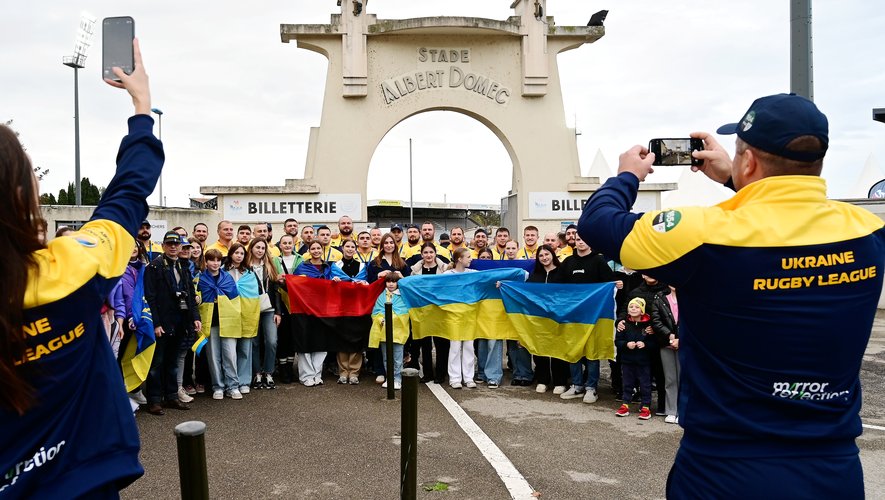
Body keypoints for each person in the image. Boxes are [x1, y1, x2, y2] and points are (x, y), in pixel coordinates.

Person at [579, 93, 884, 499]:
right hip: (833, 469)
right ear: (819, 161)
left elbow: (598, 223)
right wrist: (735, 179)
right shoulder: (866, 232)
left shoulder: (704, 233)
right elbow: (789, 215)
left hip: (725, 468)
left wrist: (627, 175)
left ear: (750, 161)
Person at [0, 38, 161, 497]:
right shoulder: (72, 266)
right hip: (82, 478)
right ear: (24, 196)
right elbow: (127, 194)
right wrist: (141, 106)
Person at [143, 231, 202, 415]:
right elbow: (150, 297)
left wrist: (195, 317)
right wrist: (156, 324)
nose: (174, 247)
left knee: (173, 362)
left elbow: (190, 295)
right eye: (170, 244)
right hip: (163, 321)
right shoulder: (154, 267)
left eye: (176, 244)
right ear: (163, 246)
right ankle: (154, 400)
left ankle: (171, 396)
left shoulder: (184, 266)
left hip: (180, 321)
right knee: (157, 363)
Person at [558, 233, 618, 404]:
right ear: (574, 243)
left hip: (593, 316)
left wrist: (616, 284)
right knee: (574, 350)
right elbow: (558, 286)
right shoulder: (568, 262)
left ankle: (591, 388)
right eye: (578, 240)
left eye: (585, 239)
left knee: (592, 352)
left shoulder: (598, 261)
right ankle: (577, 385)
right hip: (573, 316)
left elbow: (609, 283)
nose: (581, 242)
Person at [196, 249, 241, 400]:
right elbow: (197, 300)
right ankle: (218, 386)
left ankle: (233, 386)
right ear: (206, 262)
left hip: (228, 321)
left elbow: (235, 301)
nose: (215, 263)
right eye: (212, 260)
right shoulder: (200, 279)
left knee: (230, 354)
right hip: (210, 323)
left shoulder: (227, 278)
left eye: (218, 260)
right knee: (213, 356)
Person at [293, 241, 337, 386]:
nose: (316, 250)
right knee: (305, 341)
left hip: (323, 309)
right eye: (313, 248)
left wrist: (334, 281)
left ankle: (317, 374)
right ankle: (306, 376)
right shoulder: (302, 267)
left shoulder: (328, 267)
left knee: (320, 342)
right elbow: (295, 285)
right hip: (305, 309)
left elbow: (331, 287)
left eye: (319, 248)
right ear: (309, 251)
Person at [529, 245, 569, 395]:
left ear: (553, 255)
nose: (544, 257)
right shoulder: (534, 276)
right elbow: (524, 293)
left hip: (559, 318)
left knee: (559, 349)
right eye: (541, 256)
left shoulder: (562, 274)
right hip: (540, 320)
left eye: (547, 254)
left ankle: (560, 381)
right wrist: (504, 286)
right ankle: (542, 380)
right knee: (540, 349)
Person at [409, 242, 450, 384]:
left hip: (440, 311)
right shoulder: (415, 270)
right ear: (421, 255)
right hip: (423, 312)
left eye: (431, 252)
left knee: (442, 344)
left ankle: (440, 374)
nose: (428, 255)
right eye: (425, 253)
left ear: (435, 253)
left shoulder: (445, 269)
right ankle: (427, 374)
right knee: (425, 345)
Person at [223, 242, 260, 396]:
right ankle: (231, 384)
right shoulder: (222, 271)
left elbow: (255, 295)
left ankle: (244, 381)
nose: (239, 255)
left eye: (242, 253)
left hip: (247, 315)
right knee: (229, 353)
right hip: (228, 315)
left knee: (245, 350)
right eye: (236, 252)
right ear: (230, 253)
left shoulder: (250, 273)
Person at [247, 238, 279, 390]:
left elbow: (276, 290)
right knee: (254, 342)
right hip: (251, 309)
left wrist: (278, 311)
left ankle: (269, 372)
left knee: (271, 341)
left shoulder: (269, 266)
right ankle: (257, 373)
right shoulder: (245, 266)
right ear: (251, 248)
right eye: (257, 247)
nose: (260, 250)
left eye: (262, 248)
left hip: (269, 309)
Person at [443, 248, 478, 389]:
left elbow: (489, 277)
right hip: (454, 316)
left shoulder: (473, 274)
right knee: (455, 347)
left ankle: (469, 377)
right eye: (468, 257)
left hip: (469, 315)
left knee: (469, 346)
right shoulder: (447, 275)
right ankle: (455, 378)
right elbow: (433, 285)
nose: (471, 259)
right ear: (459, 259)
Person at [614, 298, 653, 420]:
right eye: (631, 307)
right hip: (627, 360)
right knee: (627, 383)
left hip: (644, 361)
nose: (633, 309)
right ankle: (625, 404)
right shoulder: (623, 324)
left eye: (637, 307)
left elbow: (655, 343)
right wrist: (626, 344)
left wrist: (645, 344)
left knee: (645, 384)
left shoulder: (649, 326)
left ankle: (646, 406)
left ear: (642, 310)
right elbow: (617, 341)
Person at [272, 234, 303, 384]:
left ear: (294, 244)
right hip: (281, 300)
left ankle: (290, 367)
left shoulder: (301, 259)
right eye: (284, 243)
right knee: (282, 336)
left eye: (290, 243)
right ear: (280, 245)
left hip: (297, 301)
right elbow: (272, 280)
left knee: (292, 336)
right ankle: (283, 369)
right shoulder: (274, 260)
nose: (287, 245)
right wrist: (276, 278)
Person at [371, 274, 409, 390]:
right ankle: (390, 378)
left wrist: (390, 318)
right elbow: (375, 312)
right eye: (388, 282)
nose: (391, 284)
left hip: (398, 332)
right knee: (386, 357)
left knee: (397, 358)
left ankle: (397, 379)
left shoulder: (402, 296)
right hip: (384, 332)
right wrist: (380, 319)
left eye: (393, 281)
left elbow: (405, 313)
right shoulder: (381, 296)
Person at [651, 286, 680, 424]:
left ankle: (682, 410)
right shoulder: (659, 297)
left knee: (683, 378)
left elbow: (695, 319)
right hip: (666, 343)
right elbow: (656, 320)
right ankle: (671, 411)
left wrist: (680, 338)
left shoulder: (690, 296)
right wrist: (669, 335)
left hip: (684, 344)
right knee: (670, 379)